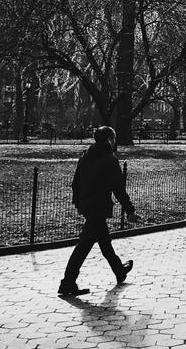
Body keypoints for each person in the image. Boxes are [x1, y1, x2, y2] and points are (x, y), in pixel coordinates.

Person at [58, 126, 138, 297]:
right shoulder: (109, 160)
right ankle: (67, 283)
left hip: (87, 206)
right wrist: (130, 210)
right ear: (109, 140)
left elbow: (75, 184)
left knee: (104, 241)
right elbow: (118, 189)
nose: (115, 141)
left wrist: (79, 204)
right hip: (99, 207)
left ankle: (119, 271)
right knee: (83, 247)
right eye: (113, 138)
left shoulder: (85, 159)